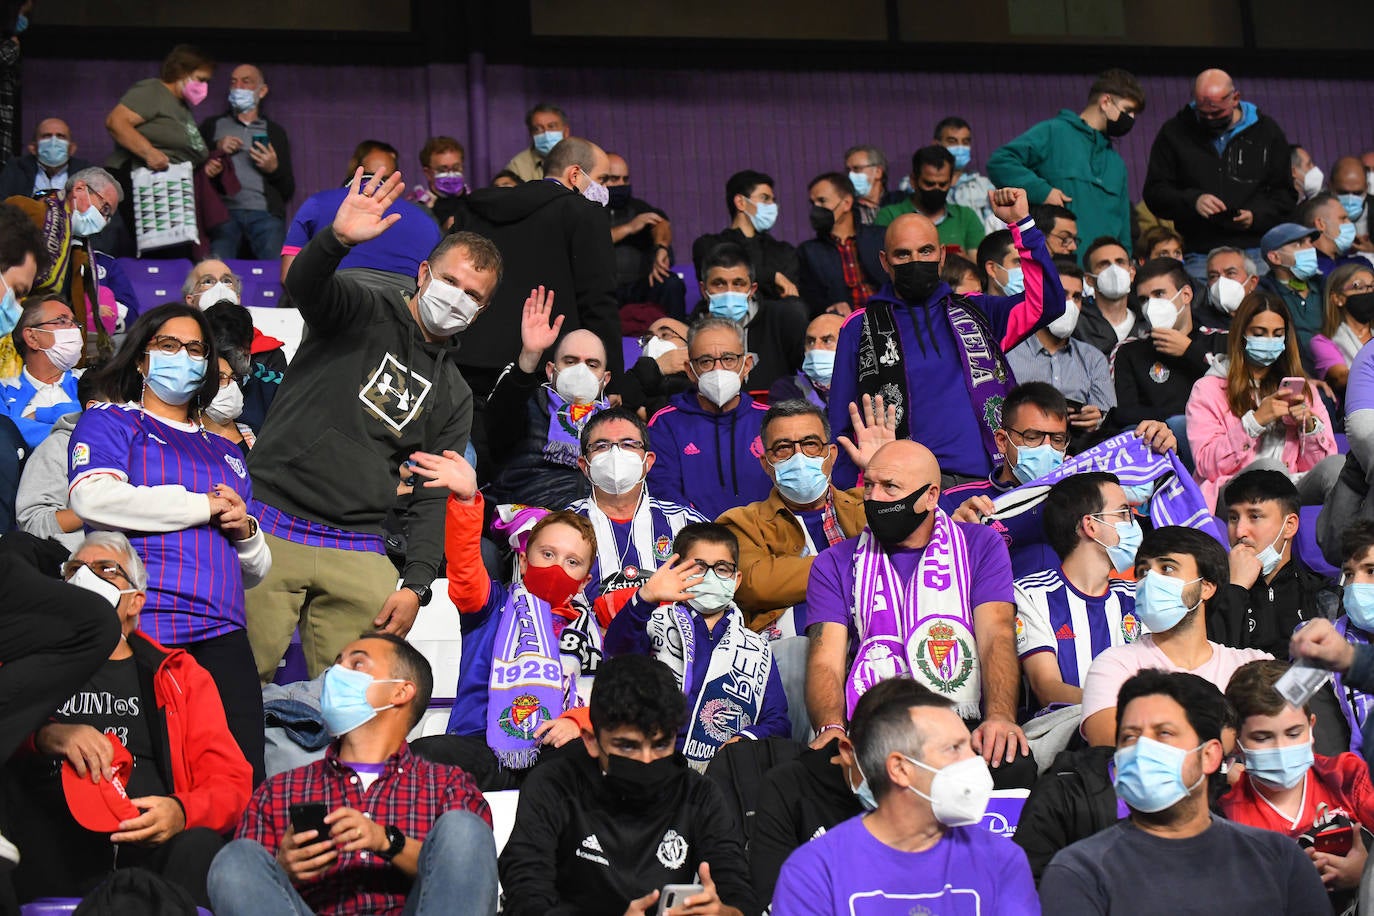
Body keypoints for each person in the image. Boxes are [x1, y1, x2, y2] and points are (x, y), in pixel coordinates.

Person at [244, 172, 499, 685]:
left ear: (481, 310)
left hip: (359, 543)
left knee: (362, 702)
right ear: (424, 273)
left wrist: (417, 584)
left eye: (472, 295)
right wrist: (335, 241)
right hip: (271, 522)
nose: (457, 298)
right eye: (450, 282)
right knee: (235, 691)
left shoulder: (455, 394)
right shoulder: (362, 305)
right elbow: (306, 287)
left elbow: (432, 494)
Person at [68, 303, 271, 782]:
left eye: (196, 349)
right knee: (151, 773)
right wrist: (201, 506)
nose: (184, 356)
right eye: (168, 345)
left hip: (223, 631)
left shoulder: (227, 451)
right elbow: (92, 496)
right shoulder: (112, 422)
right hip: (144, 626)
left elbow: (255, 569)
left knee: (239, 775)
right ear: (141, 358)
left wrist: (246, 532)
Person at [6, 532, 252, 908]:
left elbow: (231, 782)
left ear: (136, 600)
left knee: (199, 844)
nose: (85, 577)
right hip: (47, 830)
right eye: (74, 570)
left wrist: (181, 811)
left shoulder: (179, 674)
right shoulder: (27, 660)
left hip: (144, 840)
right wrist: (44, 735)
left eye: (106, 569)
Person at [208, 633, 498, 916]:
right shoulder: (280, 790)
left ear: (400, 691)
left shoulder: (448, 786)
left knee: (465, 829)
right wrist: (284, 867)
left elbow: (467, 877)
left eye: (357, 664)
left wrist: (386, 841)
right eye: (336, 664)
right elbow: (248, 885)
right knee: (235, 859)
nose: (335, 674)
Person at [804, 440, 1037, 789]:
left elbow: (996, 636)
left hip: (961, 721)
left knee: (1010, 763)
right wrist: (831, 727)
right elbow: (825, 662)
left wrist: (1000, 717)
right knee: (817, 773)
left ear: (931, 496)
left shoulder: (979, 545)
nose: (874, 497)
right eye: (869, 485)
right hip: (873, 725)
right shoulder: (833, 563)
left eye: (890, 487)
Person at [828, 188, 1065, 488]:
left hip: (991, 482)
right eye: (903, 254)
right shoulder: (859, 326)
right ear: (885, 262)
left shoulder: (979, 312)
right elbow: (842, 423)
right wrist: (849, 501)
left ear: (941, 256)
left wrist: (1021, 224)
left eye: (925, 251)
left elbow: (1048, 303)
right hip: (907, 491)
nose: (916, 260)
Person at [1039, 669, 1329, 912]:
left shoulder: (1279, 859)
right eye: (1130, 736)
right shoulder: (1078, 871)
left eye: (1164, 733)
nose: (1143, 749)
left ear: (1210, 756)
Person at [498, 654, 757, 916]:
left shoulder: (698, 794)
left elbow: (740, 895)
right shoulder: (554, 786)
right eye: (627, 746)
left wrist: (723, 913)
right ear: (590, 740)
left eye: (660, 745)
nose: (646, 761)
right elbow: (525, 898)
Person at [407, 448, 603, 790]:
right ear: (524, 561)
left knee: (594, 760)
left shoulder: (594, 628)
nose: (558, 567)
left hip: (554, 750)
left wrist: (579, 720)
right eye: (547, 554)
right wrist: (468, 501)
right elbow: (466, 568)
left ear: (586, 580)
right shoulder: (491, 604)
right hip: (480, 746)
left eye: (573, 562)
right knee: (421, 755)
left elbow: (613, 697)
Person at [771, 677, 1037, 915]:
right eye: (954, 749)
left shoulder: (1002, 860)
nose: (973, 761)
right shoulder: (814, 873)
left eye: (969, 746)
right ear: (900, 769)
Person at [447, 136, 621, 411]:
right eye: (602, 178)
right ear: (575, 174)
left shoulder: (475, 207)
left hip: (466, 361)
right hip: (546, 373)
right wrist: (612, 382)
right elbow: (598, 299)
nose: (604, 188)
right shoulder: (585, 213)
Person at [939, 382, 1173, 578]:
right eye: (1033, 437)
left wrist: (1159, 454)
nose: (1047, 449)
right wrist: (954, 535)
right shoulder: (960, 501)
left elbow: (1151, 533)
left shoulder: (1083, 495)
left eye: (1058, 439)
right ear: (1002, 441)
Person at [604, 523, 790, 768]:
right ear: (677, 571)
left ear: (736, 580)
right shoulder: (652, 622)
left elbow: (778, 721)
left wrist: (744, 740)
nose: (711, 576)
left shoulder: (757, 647)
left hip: (724, 773)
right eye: (699, 567)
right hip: (651, 763)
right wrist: (646, 597)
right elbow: (617, 651)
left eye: (722, 569)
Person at [1078, 526, 1270, 747]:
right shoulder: (1114, 664)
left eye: (1167, 568)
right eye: (1142, 572)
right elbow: (1115, 748)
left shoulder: (1252, 664)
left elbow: (1288, 731)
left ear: (1206, 587)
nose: (1150, 581)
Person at [721, 398, 886, 636]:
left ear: (831, 455)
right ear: (766, 464)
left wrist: (885, 475)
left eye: (810, 444)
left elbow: (913, 542)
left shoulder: (868, 504)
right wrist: (860, 559)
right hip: (792, 648)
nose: (799, 456)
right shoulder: (741, 522)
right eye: (783, 448)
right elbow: (754, 585)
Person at [1220, 659, 1374, 906]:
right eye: (1262, 738)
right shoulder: (1228, 813)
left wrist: (1365, 872)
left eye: (1293, 733)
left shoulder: (1347, 777)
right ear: (1236, 741)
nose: (1282, 749)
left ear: (1311, 728)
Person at [1186, 291, 1341, 510]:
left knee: (1337, 466)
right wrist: (1254, 422)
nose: (1270, 341)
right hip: (1232, 490)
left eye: (1277, 334)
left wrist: (1309, 427)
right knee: (1271, 470)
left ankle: (1342, 543)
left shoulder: (1302, 389)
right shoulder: (1208, 389)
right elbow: (1206, 466)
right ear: (1241, 334)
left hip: (1290, 485)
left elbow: (1319, 466)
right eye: (1260, 333)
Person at [1143, 69, 1296, 278]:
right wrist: (1193, 201)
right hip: (1200, 254)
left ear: (1235, 98)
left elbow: (1285, 195)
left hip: (1256, 251)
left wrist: (1255, 216)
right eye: (1203, 113)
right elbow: (1155, 192)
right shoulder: (1174, 133)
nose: (1210, 119)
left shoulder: (1267, 132)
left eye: (1217, 113)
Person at [987, 69, 1143, 261]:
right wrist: (1043, 191)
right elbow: (1000, 161)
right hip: (1059, 268)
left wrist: (1124, 262)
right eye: (1127, 110)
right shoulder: (1054, 132)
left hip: (1103, 274)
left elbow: (1124, 227)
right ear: (1105, 102)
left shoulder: (1117, 163)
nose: (1131, 119)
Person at [1015, 473, 1141, 710]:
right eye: (1124, 514)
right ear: (1090, 525)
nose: (1133, 525)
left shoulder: (1135, 596)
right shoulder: (1031, 595)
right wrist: (1124, 710)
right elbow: (1046, 688)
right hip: (1065, 736)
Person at [567, 407, 707, 614]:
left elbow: (713, 596)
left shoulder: (688, 524)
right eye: (601, 446)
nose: (616, 454)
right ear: (584, 465)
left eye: (628, 444)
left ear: (648, 461)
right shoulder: (560, 528)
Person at [485, 288, 611, 510]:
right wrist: (529, 356)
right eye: (570, 361)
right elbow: (497, 427)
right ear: (551, 371)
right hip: (526, 520)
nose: (581, 370)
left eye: (592, 364)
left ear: (605, 379)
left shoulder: (614, 424)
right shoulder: (527, 403)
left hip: (590, 525)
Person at [645, 316, 773, 520]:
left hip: (766, 539)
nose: (718, 369)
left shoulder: (771, 421)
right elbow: (663, 493)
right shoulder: (665, 424)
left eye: (729, 359)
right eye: (705, 361)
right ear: (690, 370)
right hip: (696, 541)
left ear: (746, 364)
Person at [1208, 469, 1340, 658]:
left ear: (1289, 525)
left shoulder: (1323, 595)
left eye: (1255, 516)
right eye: (1233, 518)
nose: (1239, 532)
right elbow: (1210, 665)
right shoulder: (1208, 593)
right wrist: (1235, 589)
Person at [280, 140, 441, 291]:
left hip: (333, 305)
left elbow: (289, 277)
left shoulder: (316, 203)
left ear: (355, 169)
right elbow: (438, 285)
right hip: (404, 307)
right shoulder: (425, 217)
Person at [1110, 257, 1227, 460]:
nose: (1151, 305)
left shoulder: (1222, 341)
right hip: (1159, 446)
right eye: (1145, 299)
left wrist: (1190, 353)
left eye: (1160, 294)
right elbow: (1124, 413)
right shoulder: (1129, 350)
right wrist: (1171, 422)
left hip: (1218, 440)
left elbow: (1237, 395)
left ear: (1186, 295)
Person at [102, 45, 213, 239]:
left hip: (170, 191)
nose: (204, 87)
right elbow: (116, 122)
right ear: (181, 72)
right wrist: (148, 152)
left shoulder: (180, 106)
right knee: (155, 255)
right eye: (201, 79)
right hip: (141, 184)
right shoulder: (153, 90)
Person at [748, 731, 864, 904]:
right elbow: (772, 896)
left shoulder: (909, 803)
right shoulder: (787, 786)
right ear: (847, 751)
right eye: (882, 766)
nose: (898, 780)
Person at [1005, 253, 1115, 427]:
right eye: (1061, 294)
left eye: (1076, 297)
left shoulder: (1093, 358)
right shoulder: (1008, 352)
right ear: (1038, 297)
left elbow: (1109, 417)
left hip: (1080, 447)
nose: (1069, 304)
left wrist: (1097, 418)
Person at [200, 63, 294, 260]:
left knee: (275, 271)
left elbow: (288, 188)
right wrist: (215, 152)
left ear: (262, 91)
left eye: (246, 81)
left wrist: (273, 168)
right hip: (222, 213)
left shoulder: (275, 132)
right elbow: (195, 171)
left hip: (264, 213)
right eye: (233, 82)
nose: (238, 87)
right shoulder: (213, 126)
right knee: (215, 271)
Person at [1300, 521, 1374, 758]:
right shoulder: (1323, 640)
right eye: (1350, 574)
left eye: (1371, 571)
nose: (1356, 585)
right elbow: (1284, 706)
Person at [696, 240, 806, 392]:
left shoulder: (783, 320)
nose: (730, 292)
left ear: (752, 289)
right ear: (703, 289)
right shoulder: (690, 331)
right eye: (719, 283)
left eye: (738, 283)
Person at [15, 371, 102, 551]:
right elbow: (33, 523)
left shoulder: (155, 444)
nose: (138, 411)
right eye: (128, 404)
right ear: (95, 408)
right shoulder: (60, 446)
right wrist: (102, 508)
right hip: (77, 560)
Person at [691, 168, 801, 302]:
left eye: (773, 200)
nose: (773, 206)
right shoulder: (709, 244)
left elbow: (789, 294)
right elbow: (721, 270)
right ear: (740, 202)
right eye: (765, 198)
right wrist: (772, 277)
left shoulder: (784, 251)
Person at [193, 282, 286, 433]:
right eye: (212, 355)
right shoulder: (190, 382)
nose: (220, 363)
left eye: (227, 355)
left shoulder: (277, 387)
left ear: (246, 350)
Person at [605, 151, 686, 320]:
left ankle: (678, 339)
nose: (621, 184)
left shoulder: (639, 208)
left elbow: (661, 223)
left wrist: (661, 248)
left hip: (639, 286)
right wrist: (628, 228)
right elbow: (590, 241)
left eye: (625, 179)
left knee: (671, 284)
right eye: (614, 179)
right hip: (602, 290)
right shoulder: (586, 210)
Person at [797, 172, 885, 317]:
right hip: (843, 325)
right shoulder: (808, 252)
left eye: (822, 201)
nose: (816, 209)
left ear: (847, 203)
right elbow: (809, 298)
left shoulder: (880, 238)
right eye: (813, 203)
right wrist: (830, 307)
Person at [1, 293, 82, 448]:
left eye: (74, 322)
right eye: (62, 321)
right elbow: (5, 436)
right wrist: (78, 432)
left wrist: (40, 415)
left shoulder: (90, 379)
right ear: (32, 337)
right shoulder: (3, 391)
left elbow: (102, 415)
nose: (74, 328)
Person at [874, 146, 986, 257]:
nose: (936, 189)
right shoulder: (890, 216)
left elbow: (978, 266)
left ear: (951, 181)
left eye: (942, 184)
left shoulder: (966, 217)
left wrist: (960, 262)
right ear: (913, 180)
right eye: (929, 184)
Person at [1257, 222, 1325, 368]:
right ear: (1275, 257)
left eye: (1310, 242)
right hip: (1295, 372)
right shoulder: (1263, 296)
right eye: (1299, 244)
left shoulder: (1327, 287)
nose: (1311, 248)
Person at [1074, 236, 1148, 356]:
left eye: (1120, 262)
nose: (1114, 270)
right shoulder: (1077, 323)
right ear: (1089, 280)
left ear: (1132, 273)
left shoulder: (1148, 320)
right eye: (1104, 264)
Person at [1310, 261, 1374, 397]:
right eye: (1359, 286)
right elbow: (1341, 378)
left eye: (1372, 286)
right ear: (1338, 298)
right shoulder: (1322, 342)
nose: (1369, 292)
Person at [934, 116, 1000, 233]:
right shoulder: (916, 184)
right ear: (936, 144)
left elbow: (995, 227)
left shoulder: (984, 186)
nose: (960, 147)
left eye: (965, 142)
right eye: (952, 141)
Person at [769, 312, 843, 407]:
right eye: (811, 342)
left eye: (827, 341)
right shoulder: (787, 388)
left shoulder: (863, 384)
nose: (816, 348)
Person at [1198, 244, 1260, 329]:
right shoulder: (1198, 322)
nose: (1221, 282)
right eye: (1213, 276)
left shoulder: (1269, 317)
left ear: (1252, 282)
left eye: (1231, 273)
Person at [410, 135, 467, 228]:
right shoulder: (418, 208)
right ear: (428, 173)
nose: (451, 174)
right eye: (442, 170)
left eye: (456, 168)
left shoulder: (474, 202)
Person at [503, 102, 568, 182]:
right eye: (538, 129)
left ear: (566, 131)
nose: (546, 133)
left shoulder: (582, 157)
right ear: (531, 134)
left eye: (551, 126)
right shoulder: (517, 166)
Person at [1302, 191, 1360, 278]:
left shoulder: (1360, 263)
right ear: (1320, 224)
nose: (1349, 223)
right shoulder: (1307, 269)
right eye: (1343, 219)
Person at [844, 144, 904, 226]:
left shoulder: (899, 202)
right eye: (848, 170)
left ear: (878, 172)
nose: (850, 175)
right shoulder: (846, 209)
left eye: (857, 169)